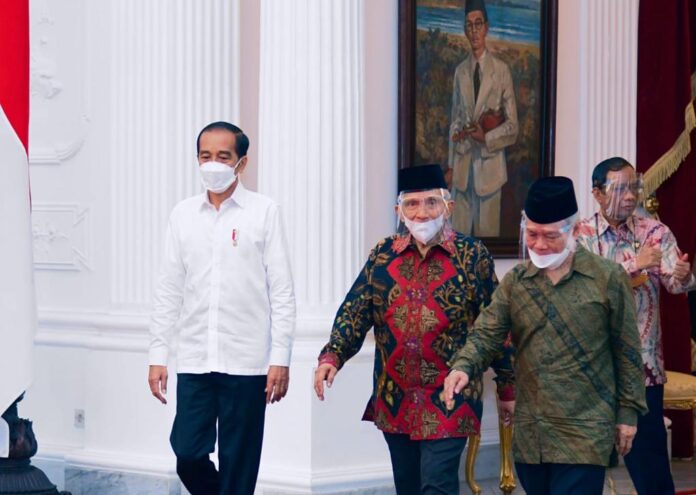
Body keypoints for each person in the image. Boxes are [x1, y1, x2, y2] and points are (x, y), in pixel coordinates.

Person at [314, 164, 514, 495]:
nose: (422, 213)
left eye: (431, 202)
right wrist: (333, 355)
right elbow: (356, 309)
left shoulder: (472, 255)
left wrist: (507, 385)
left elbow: (495, 324)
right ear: (399, 211)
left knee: (436, 485)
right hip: (396, 396)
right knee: (408, 486)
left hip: (451, 396)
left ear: (448, 207)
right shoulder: (383, 255)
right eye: (412, 204)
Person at [444, 176, 647, 495]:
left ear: (575, 231)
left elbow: (628, 352)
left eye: (550, 236)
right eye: (532, 234)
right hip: (532, 433)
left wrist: (628, 413)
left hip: (586, 430)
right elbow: (486, 333)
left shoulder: (607, 278)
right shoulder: (516, 282)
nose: (538, 245)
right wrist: (463, 367)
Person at [147, 121, 296, 495]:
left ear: (241, 163)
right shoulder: (182, 214)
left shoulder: (264, 212)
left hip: (247, 361)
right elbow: (168, 289)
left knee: (238, 464)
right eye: (205, 155)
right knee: (187, 453)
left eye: (223, 156)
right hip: (195, 358)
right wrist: (158, 355)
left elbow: (281, 291)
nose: (213, 163)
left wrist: (280, 359)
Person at [576, 156, 696, 495]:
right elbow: (585, 291)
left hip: (643, 367)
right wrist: (634, 265)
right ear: (597, 193)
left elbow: (676, 284)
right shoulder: (581, 235)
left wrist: (683, 275)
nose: (630, 196)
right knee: (585, 465)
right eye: (619, 189)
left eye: (633, 187)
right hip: (593, 367)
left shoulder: (655, 232)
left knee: (651, 464)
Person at [446, 0, 518, 237]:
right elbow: (455, 119)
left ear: (486, 27)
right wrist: (451, 165)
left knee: (487, 243)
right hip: (462, 173)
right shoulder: (460, 72)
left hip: (490, 175)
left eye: (478, 24)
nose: (474, 30)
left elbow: (513, 127)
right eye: (469, 25)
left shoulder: (501, 71)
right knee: (457, 243)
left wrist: (486, 137)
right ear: (464, 29)